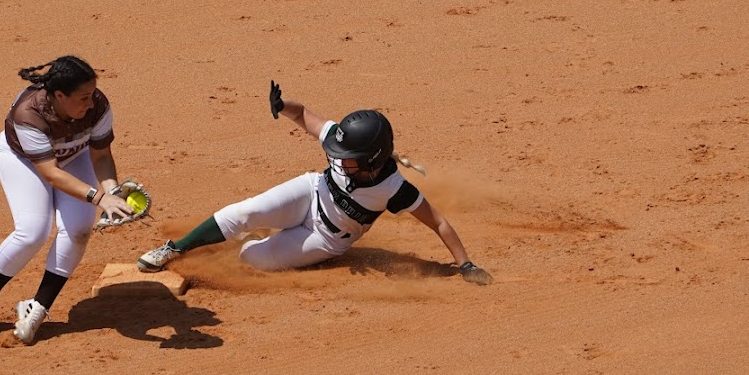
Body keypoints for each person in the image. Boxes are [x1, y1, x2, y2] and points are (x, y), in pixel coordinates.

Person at [137, 81, 492, 283]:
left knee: (251, 258)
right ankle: (176, 248)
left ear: (372, 159)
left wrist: (465, 265)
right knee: (244, 212)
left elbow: (438, 222)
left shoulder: (394, 188)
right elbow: (304, 115)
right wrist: (282, 105)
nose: (339, 157)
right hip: (309, 194)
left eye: (348, 157)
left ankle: (250, 241)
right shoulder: (343, 143)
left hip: (326, 239)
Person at [0, 56, 136, 343]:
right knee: (33, 230)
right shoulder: (28, 114)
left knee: (79, 230)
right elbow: (51, 173)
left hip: (74, 155)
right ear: (59, 95)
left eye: (92, 93)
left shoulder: (98, 105)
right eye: (83, 97)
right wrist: (99, 197)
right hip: (24, 161)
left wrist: (113, 191)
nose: (91, 102)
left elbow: (102, 156)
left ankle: (37, 306)